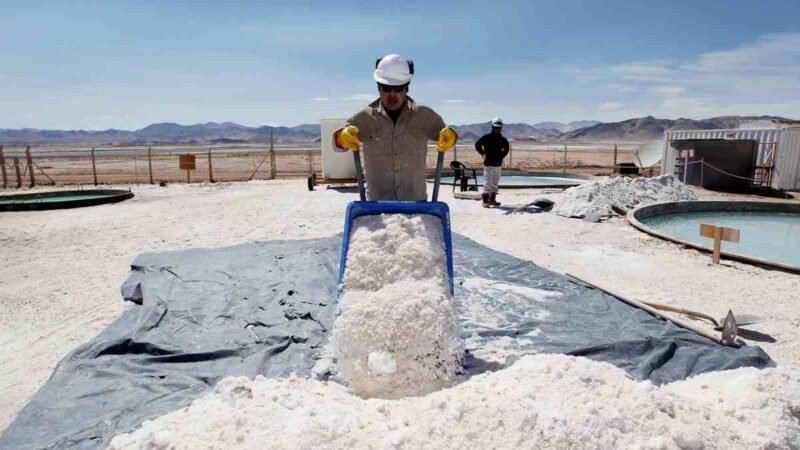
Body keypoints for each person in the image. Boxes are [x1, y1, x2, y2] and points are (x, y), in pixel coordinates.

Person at [333, 54, 458, 201]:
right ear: (378, 88)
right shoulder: (365, 117)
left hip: (416, 203)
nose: (392, 94)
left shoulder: (425, 115)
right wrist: (341, 137)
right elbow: (337, 145)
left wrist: (452, 136)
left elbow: (446, 134)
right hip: (377, 205)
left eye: (398, 89)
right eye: (386, 88)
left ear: (406, 88)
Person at [474, 117, 510, 207]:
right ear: (492, 127)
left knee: (495, 183)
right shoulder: (487, 137)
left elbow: (506, 148)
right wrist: (483, 153)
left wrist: (501, 156)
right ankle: (485, 201)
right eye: (496, 127)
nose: (497, 129)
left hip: (498, 164)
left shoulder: (502, 139)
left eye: (499, 127)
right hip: (489, 164)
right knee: (488, 183)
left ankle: (492, 200)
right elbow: (477, 144)